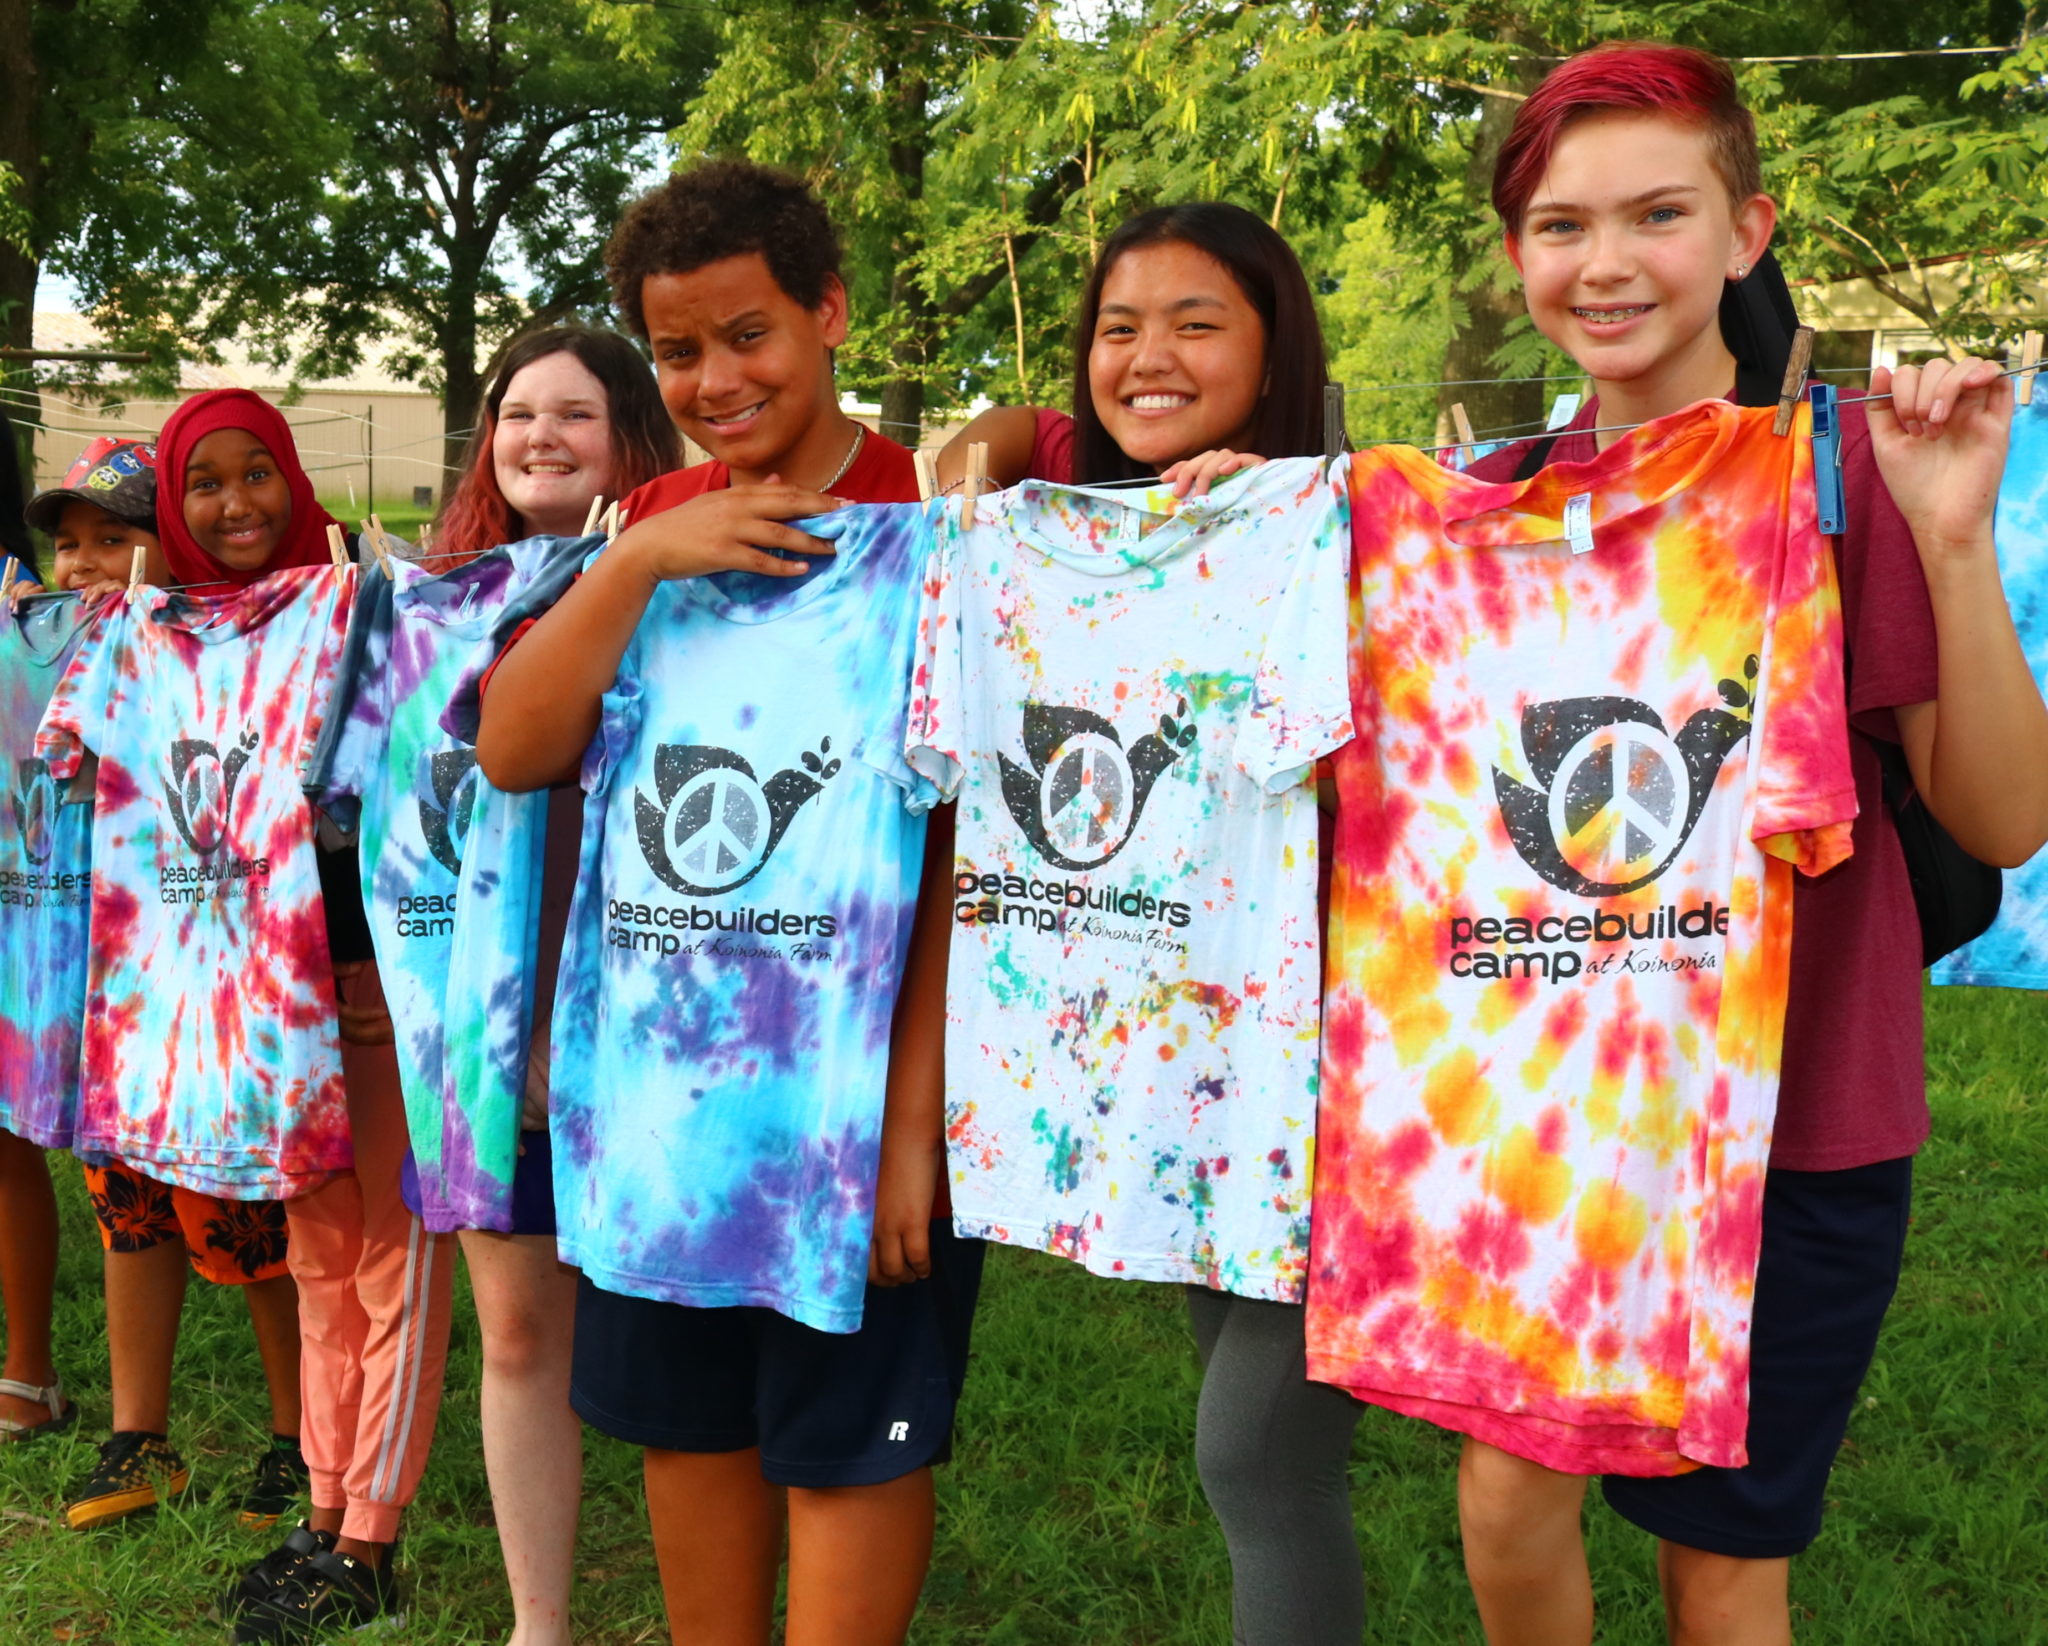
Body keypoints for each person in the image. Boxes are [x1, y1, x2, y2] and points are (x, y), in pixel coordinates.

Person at [1447, 43, 2048, 1646]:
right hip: (1548, 1111)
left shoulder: (1844, 477)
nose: (1608, 261)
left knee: (1721, 1569)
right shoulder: (1481, 510)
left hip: (1802, 1127)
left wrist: (1953, 533)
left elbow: (2001, 817)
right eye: (1564, 224)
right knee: (1508, 1503)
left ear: (1747, 228)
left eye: (1659, 211)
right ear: (1520, 258)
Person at [476, 158, 981, 1646]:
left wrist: (906, 1125)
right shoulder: (651, 525)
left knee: (846, 1437)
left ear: (828, 313)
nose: (716, 378)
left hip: (851, 1100)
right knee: (686, 1430)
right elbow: (516, 746)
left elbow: (961, 855)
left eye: (749, 333)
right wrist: (633, 558)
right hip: (666, 1113)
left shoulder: (931, 529)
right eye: (679, 350)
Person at [941, 202, 1370, 1646]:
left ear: (1276, 344)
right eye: (1119, 326)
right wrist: (974, 460)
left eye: (1198, 322)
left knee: (1256, 1449)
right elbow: (1007, 435)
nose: (1148, 355)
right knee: (1259, 1443)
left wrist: (1272, 531)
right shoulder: (1055, 519)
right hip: (1203, 1067)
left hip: (1340, 1058)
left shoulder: (1339, 522)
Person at [122, 390, 453, 1643]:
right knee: (318, 1253)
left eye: (258, 471)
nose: (235, 504)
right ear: (173, 504)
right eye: (202, 482)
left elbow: (405, 789)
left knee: (392, 1254)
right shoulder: (151, 636)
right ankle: (320, 1506)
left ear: (295, 473)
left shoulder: (365, 604)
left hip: (369, 982)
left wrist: (375, 967)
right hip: (258, 999)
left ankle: (372, 1528)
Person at [10, 440, 311, 1531]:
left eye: (115, 538)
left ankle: (299, 1439)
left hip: (201, 988)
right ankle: (138, 1437)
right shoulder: (48, 656)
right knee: (126, 1213)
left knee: (250, 1219)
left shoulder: (202, 653)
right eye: (69, 544)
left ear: (168, 547)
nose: (86, 565)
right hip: (100, 991)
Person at [431, 323, 678, 1646]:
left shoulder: (699, 583)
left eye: (574, 413)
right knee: (520, 1334)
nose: (539, 435)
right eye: (517, 411)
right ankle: (543, 1621)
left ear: (632, 434)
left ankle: (708, 1573)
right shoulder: (438, 609)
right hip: (496, 1032)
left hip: (659, 1035)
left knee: (673, 1339)